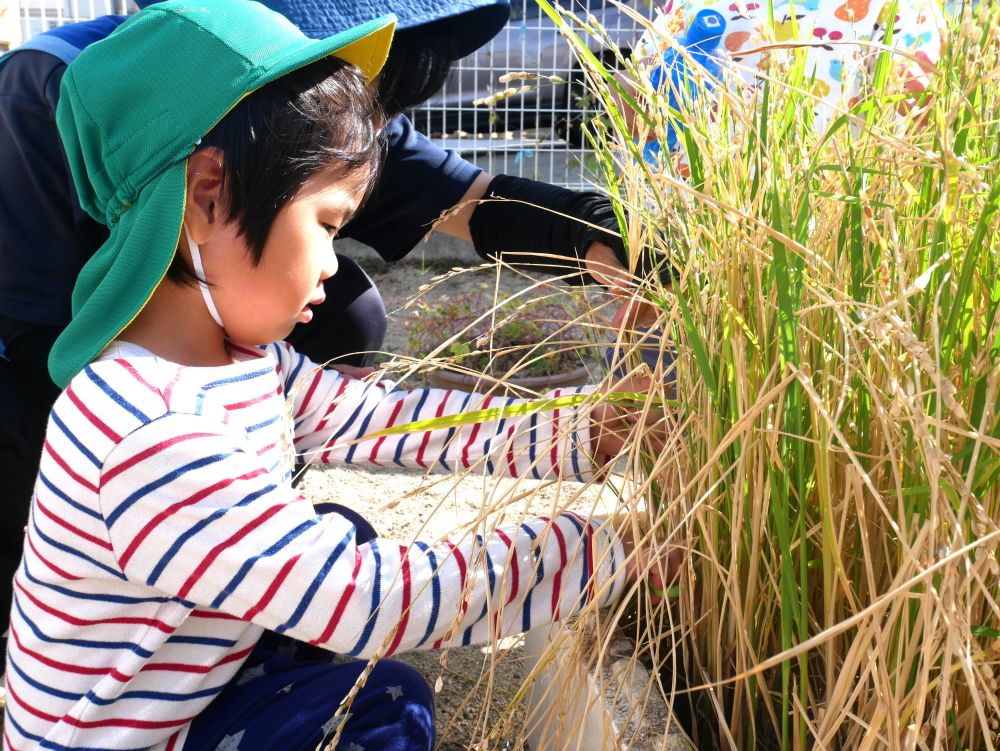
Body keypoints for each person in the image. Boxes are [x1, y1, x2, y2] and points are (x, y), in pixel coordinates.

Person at [3, 2, 671, 749]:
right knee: (384, 705)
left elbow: (384, 418)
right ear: (206, 193)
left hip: (186, 687)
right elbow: (366, 600)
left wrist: (585, 427)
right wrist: (604, 551)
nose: (332, 263)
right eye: (325, 224)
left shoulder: (236, 359)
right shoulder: (149, 433)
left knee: (334, 532)